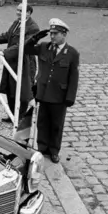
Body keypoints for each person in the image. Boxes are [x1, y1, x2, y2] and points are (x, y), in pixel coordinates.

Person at [24, 18, 80, 163]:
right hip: (43, 93)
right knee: (42, 122)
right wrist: (36, 37)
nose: (52, 36)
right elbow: (26, 49)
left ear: (64, 34)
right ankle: (42, 147)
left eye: (56, 33)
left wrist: (70, 97)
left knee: (56, 124)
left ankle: (54, 150)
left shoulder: (72, 53)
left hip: (59, 96)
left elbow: (73, 77)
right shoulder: (44, 47)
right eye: (51, 33)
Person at [0, 4, 40, 123]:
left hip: (25, 63)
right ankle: (12, 114)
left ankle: (19, 117)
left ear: (29, 13)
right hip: (12, 60)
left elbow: (23, 45)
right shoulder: (17, 23)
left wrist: (5, 52)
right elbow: (7, 35)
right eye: (18, 10)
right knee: (10, 88)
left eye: (22, 11)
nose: (18, 12)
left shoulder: (33, 28)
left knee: (23, 89)